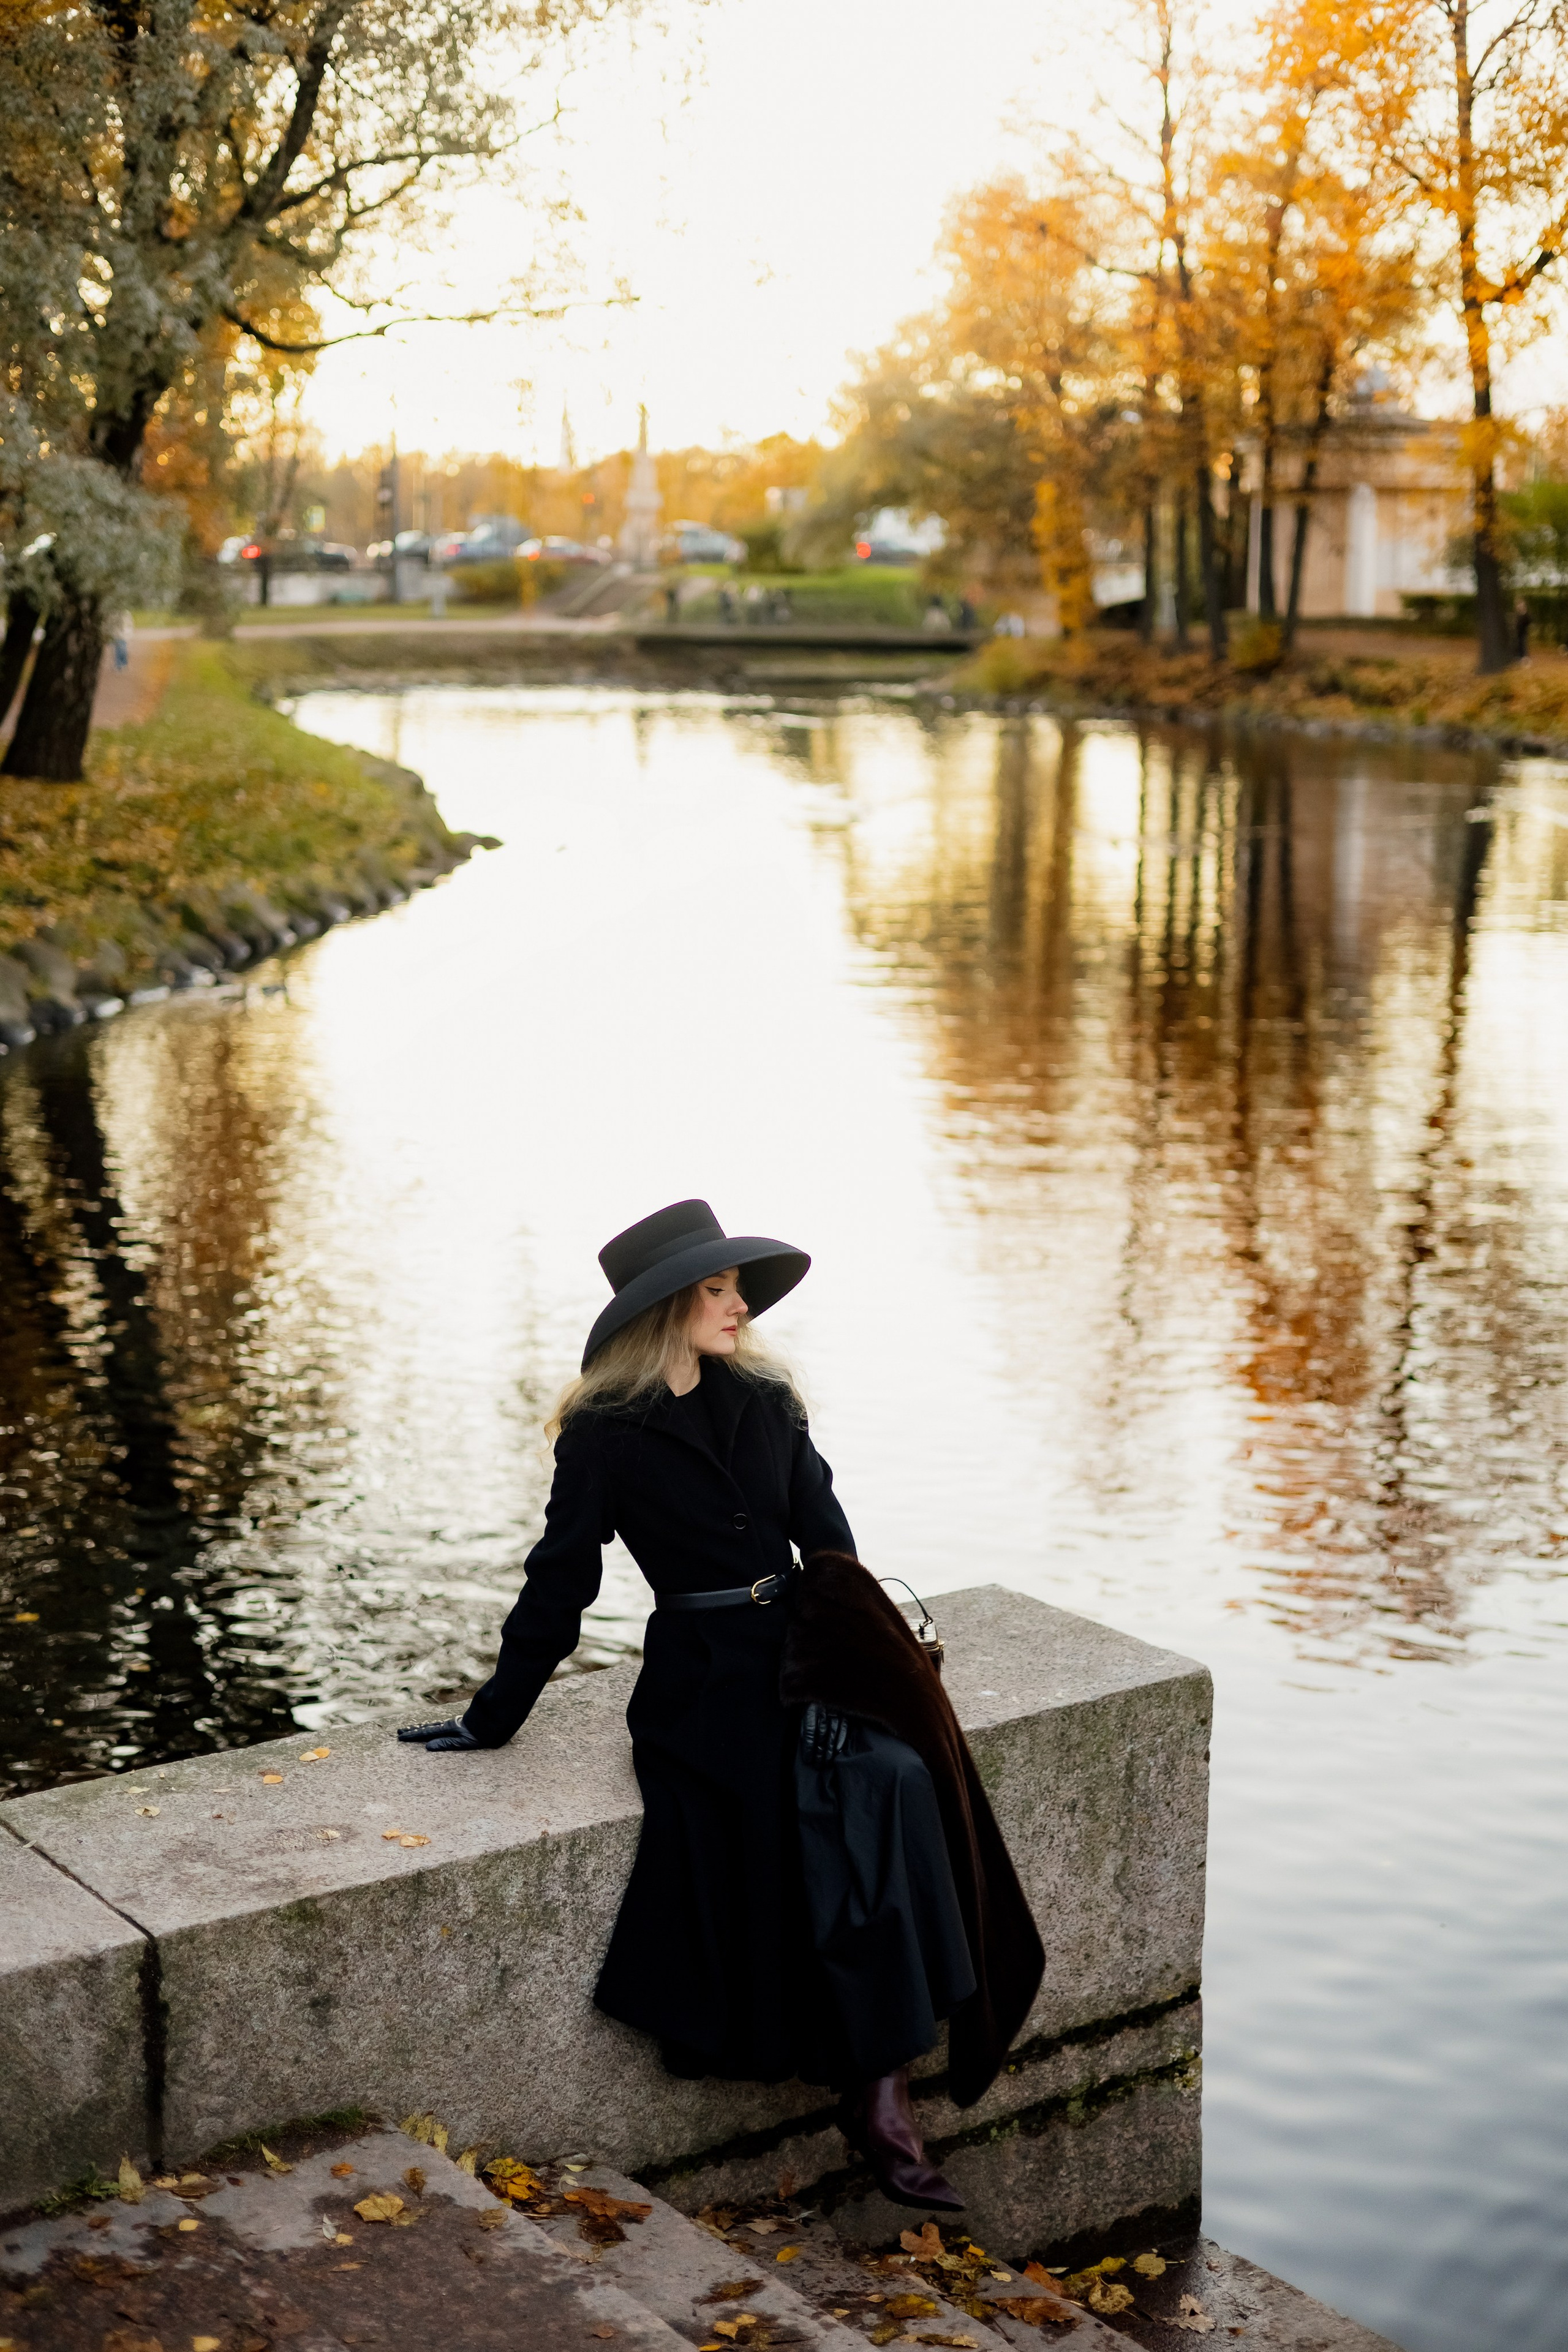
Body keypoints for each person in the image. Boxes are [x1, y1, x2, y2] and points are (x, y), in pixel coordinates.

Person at [400, 1199, 1040, 2209]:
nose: (739, 1304)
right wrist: (495, 1713)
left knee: (895, 1776)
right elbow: (559, 1581)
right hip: (701, 1677)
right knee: (805, 1806)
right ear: (668, 1309)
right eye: (717, 1290)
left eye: (736, 1288)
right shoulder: (605, 1436)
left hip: (805, 1647)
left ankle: (883, 2092)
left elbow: (830, 1548)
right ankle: (875, 2097)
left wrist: (839, 1671)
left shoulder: (768, 1401)